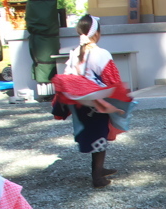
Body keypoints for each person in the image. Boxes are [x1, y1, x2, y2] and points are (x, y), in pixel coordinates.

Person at [51, 15, 133, 188]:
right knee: (99, 135)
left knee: (95, 133)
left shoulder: (74, 53)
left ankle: (99, 168)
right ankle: (97, 177)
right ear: (97, 33)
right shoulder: (100, 53)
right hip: (95, 100)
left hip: (78, 101)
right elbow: (111, 78)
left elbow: (68, 75)